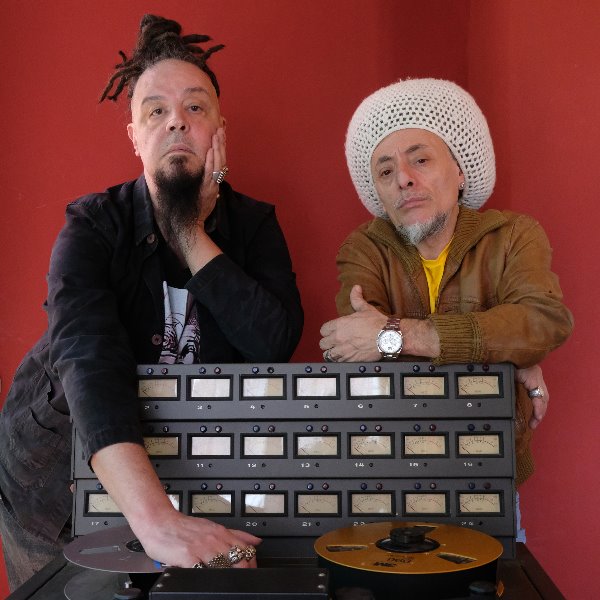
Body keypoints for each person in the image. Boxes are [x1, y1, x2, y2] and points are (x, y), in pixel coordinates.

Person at [0, 14, 303, 591]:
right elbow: (88, 362)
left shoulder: (255, 225)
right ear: (134, 137)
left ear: (219, 129)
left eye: (195, 107)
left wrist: (190, 234)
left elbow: (272, 342)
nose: (176, 121)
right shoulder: (92, 224)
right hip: (54, 479)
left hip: (196, 472)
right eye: (155, 111)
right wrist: (156, 520)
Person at [319, 78, 573, 490]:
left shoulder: (513, 236)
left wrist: (392, 335)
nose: (403, 179)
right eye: (386, 171)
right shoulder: (364, 248)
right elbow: (360, 359)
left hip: (490, 466)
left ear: (459, 172)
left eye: (420, 160)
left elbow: (543, 323)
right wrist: (506, 355)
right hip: (391, 467)